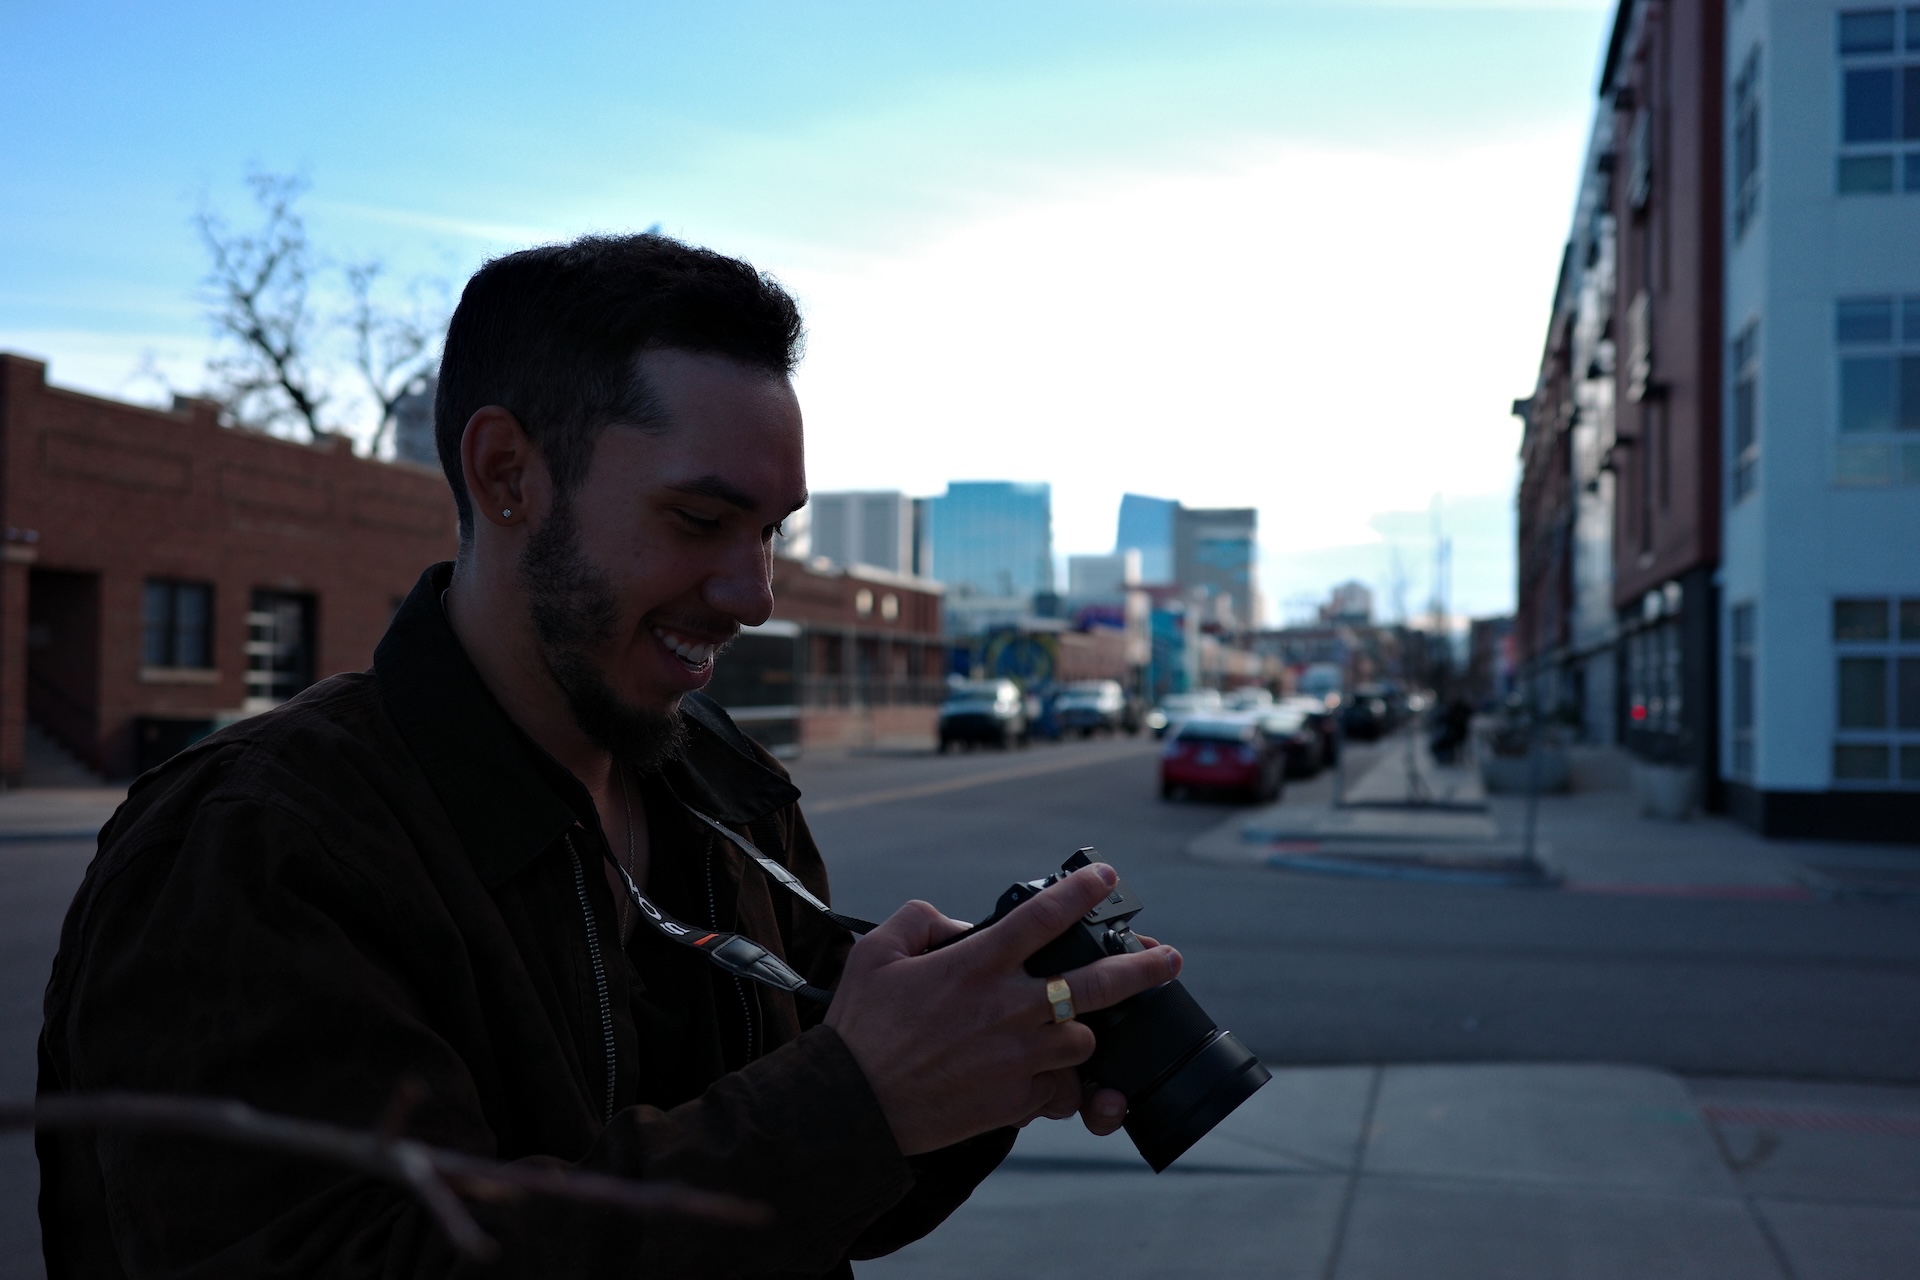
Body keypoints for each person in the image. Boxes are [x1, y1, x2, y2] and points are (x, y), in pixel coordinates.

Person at [36, 234, 1181, 1278]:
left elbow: (810, 1208)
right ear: (507, 475)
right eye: (698, 522)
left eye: (771, 530)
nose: (756, 594)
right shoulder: (255, 844)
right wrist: (852, 1098)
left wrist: (975, 1061)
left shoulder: (720, 787)